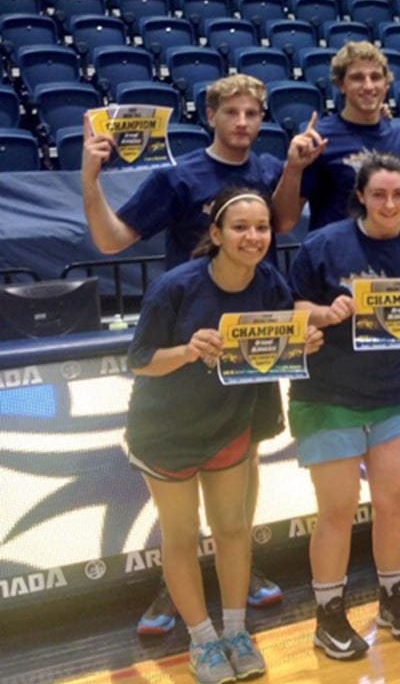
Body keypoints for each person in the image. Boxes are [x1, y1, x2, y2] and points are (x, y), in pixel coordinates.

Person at [81, 73, 318, 635]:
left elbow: (282, 224)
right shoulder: (179, 175)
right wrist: (90, 180)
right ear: (210, 115)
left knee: (246, 459)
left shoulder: (266, 170)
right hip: (188, 343)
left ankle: (243, 563)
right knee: (180, 488)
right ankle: (175, 586)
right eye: (231, 113)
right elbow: (113, 241)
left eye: (252, 114)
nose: (242, 123)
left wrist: (293, 168)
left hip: (253, 338)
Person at [124, 187, 322, 684]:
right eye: (240, 228)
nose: (252, 237)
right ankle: (202, 638)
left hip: (229, 426)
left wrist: (303, 343)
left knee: (233, 529)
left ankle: (235, 631)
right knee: (183, 536)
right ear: (216, 234)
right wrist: (188, 351)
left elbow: (273, 348)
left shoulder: (270, 282)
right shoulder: (176, 286)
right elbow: (141, 361)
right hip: (166, 431)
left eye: (261, 228)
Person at [288, 152, 400, 660]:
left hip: (394, 394)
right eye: (379, 194)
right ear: (360, 195)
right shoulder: (324, 244)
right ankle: (329, 613)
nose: (389, 203)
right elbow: (296, 309)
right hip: (328, 395)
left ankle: (392, 597)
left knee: (394, 503)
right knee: (337, 511)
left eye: (399, 194)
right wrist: (326, 311)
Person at [272, 41, 400, 233]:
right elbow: (283, 223)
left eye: (375, 77)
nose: (368, 86)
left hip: (390, 254)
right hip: (337, 257)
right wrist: (292, 168)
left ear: (386, 85)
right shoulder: (320, 138)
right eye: (357, 78)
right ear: (341, 85)